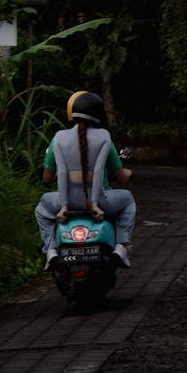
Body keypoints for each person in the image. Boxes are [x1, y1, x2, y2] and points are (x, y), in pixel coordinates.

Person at [34, 90, 136, 271]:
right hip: (101, 203)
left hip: (64, 204)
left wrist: (64, 202)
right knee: (127, 200)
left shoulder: (58, 138)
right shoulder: (105, 137)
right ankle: (121, 247)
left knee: (41, 210)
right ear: (98, 115)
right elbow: (116, 176)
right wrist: (127, 173)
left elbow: (48, 177)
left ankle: (50, 252)